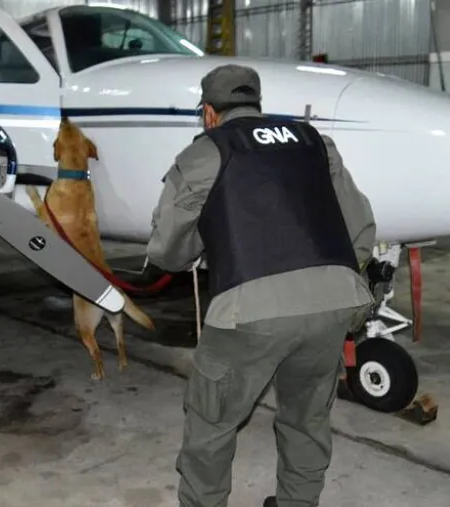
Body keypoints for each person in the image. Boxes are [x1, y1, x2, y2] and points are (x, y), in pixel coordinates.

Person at [146, 63, 377, 507]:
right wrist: (340, 287)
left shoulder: (205, 152)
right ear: (256, 103)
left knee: (211, 424)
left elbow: (167, 252)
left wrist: (204, 241)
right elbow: (361, 228)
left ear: (209, 113)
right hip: (333, 302)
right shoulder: (314, 142)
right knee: (307, 420)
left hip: (249, 312)